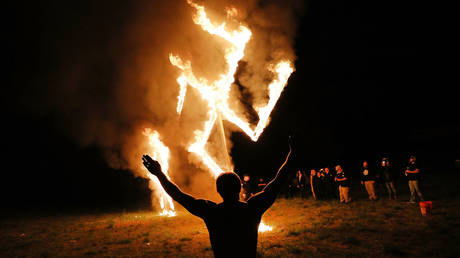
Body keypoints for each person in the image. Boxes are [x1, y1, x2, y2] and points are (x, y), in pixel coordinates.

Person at [142, 142, 294, 258]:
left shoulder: (211, 212)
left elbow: (178, 195)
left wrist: (159, 174)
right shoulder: (252, 209)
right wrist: (292, 155)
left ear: (218, 191)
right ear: (240, 189)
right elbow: (276, 183)